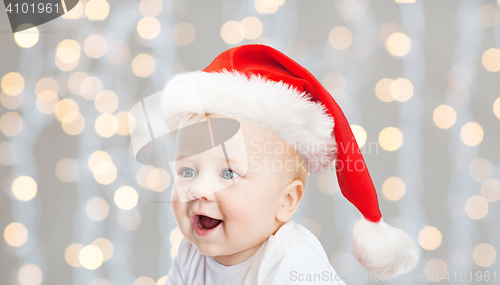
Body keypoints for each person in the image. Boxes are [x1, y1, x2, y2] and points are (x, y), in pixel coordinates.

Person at [159, 44, 420, 285]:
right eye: (188, 171)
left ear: (286, 201)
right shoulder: (189, 254)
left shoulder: (294, 264)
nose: (197, 189)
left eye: (228, 173)